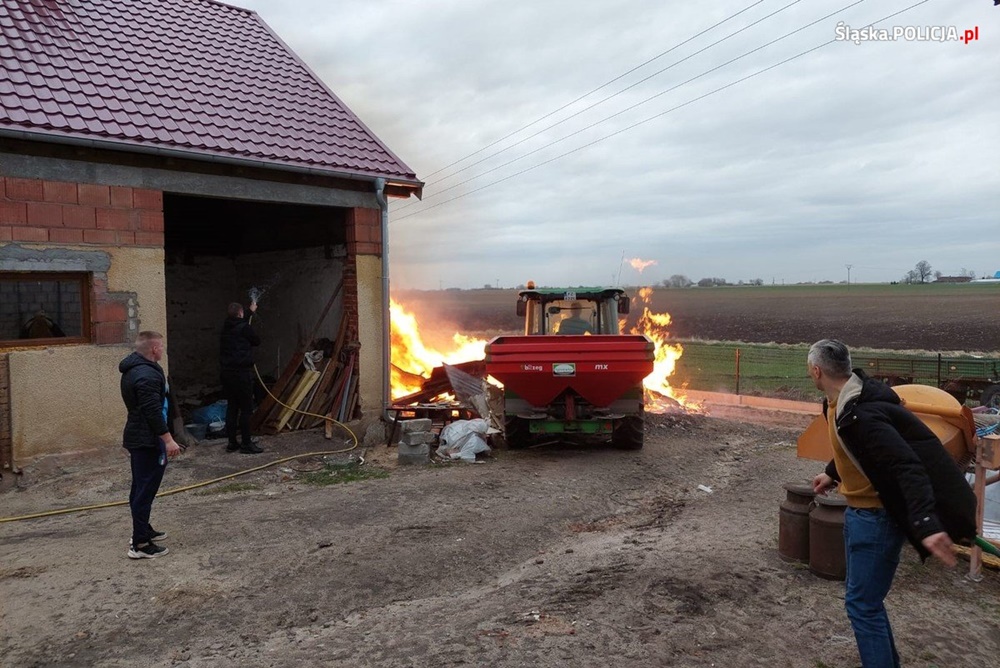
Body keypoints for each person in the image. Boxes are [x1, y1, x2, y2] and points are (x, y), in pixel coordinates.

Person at [807, 339, 976, 668]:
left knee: (862, 606)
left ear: (816, 371)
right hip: (861, 513)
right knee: (865, 603)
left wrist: (926, 523)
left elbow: (907, 465)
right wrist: (832, 473)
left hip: (875, 518)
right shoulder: (842, 401)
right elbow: (859, 447)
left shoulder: (861, 412)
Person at [120, 330, 182, 559]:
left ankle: (143, 529)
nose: (163, 350)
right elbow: (152, 411)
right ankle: (140, 544)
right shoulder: (145, 376)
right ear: (154, 349)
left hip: (141, 436)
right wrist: (168, 439)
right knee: (144, 490)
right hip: (146, 440)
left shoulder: (139, 367)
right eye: (162, 346)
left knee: (141, 487)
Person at [220, 301, 263, 454]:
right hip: (242, 373)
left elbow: (238, 323)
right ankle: (246, 443)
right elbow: (256, 341)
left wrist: (250, 311)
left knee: (232, 407)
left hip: (227, 373)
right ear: (240, 313)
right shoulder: (245, 328)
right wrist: (249, 314)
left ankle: (232, 442)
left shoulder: (226, 327)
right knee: (246, 409)